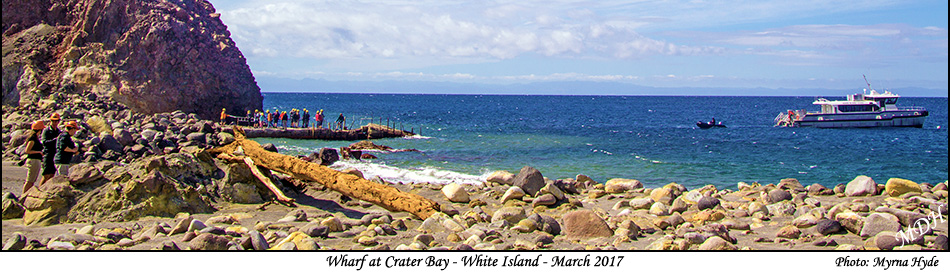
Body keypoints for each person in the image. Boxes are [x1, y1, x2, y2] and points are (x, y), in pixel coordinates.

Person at [22, 120, 45, 194]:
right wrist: (38, 152)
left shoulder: (35, 137)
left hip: (36, 160)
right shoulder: (33, 139)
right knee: (30, 180)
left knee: (32, 180)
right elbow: (27, 151)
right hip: (33, 160)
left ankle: (26, 194)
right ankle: (24, 195)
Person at [40, 113, 62, 185]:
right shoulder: (46, 131)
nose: (55, 123)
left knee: (52, 175)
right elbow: (44, 142)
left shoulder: (58, 131)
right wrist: (56, 139)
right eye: (53, 121)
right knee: (46, 175)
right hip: (48, 154)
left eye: (56, 121)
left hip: (55, 154)